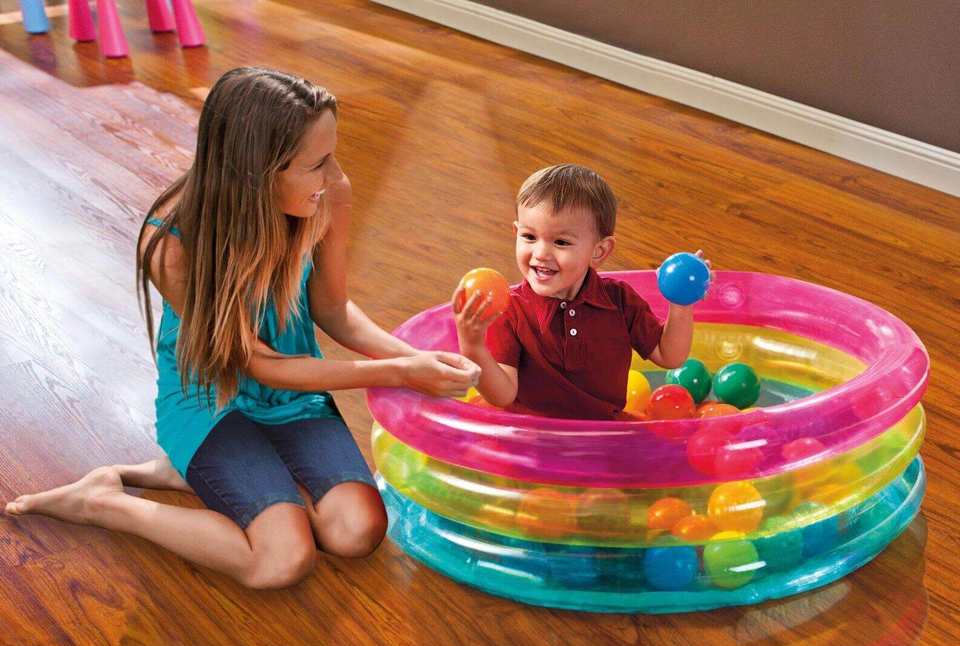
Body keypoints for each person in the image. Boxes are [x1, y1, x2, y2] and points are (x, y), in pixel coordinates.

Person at [4, 67, 480, 589]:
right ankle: (104, 502)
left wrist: (416, 359)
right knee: (281, 561)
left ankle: (191, 474)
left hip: (295, 399)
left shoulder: (327, 194)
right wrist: (399, 373)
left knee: (356, 532)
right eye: (316, 164)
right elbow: (259, 364)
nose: (334, 175)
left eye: (332, 154)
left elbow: (334, 310)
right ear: (257, 171)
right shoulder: (172, 242)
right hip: (212, 404)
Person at [452, 163, 708, 420]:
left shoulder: (619, 300)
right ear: (516, 232)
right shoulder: (510, 309)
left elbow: (669, 356)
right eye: (529, 237)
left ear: (599, 251)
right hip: (533, 436)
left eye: (561, 242)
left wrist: (681, 303)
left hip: (602, 433)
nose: (540, 253)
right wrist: (473, 347)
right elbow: (502, 395)